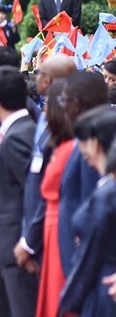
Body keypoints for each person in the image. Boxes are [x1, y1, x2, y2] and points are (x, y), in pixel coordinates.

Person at [13, 54, 76, 278]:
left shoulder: (65, 122)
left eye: (38, 72)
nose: (35, 76)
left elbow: (53, 186)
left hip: (49, 229)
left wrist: (30, 240)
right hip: (33, 224)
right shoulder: (45, 114)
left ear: (48, 80)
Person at [0, 66, 38, 317]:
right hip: (7, 246)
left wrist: (28, 241)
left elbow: (35, 192)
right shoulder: (13, 131)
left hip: (17, 246)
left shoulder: (18, 136)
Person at [60, 107, 116, 316]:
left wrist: (70, 300)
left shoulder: (107, 193)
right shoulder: (106, 188)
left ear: (96, 142)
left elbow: (89, 255)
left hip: (104, 292)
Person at [58, 71, 108, 277]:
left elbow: (93, 205)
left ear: (76, 104)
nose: (61, 106)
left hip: (89, 265)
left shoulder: (94, 140)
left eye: (63, 100)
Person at [34, 80, 75, 317]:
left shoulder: (72, 148)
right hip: (51, 228)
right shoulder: (57, 143)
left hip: (64, 228)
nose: (45, 108)